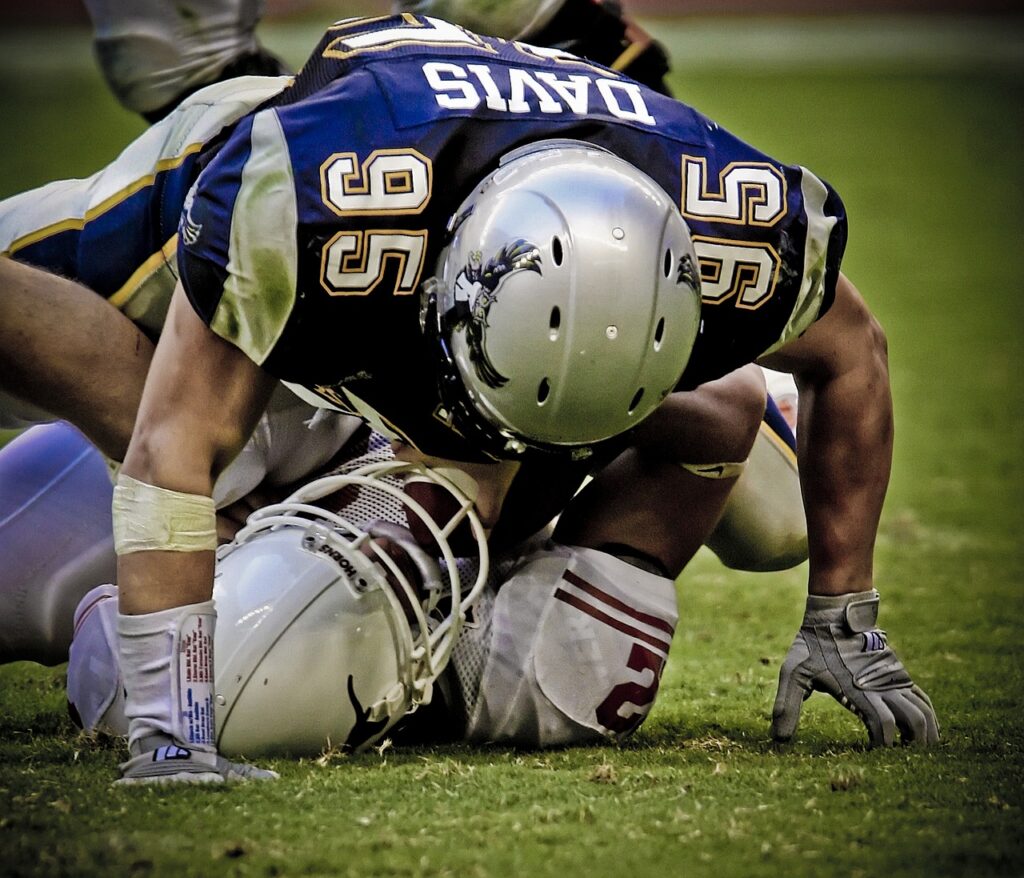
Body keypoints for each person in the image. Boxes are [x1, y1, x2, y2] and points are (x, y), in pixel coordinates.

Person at [0, 13, 936, 784]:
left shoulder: (735, 218)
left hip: (439, 312)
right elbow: (171, 435)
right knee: (167, 407)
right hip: (274, 155)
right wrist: (174, 728)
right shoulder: (303, 199)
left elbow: (853, 354)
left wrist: (842, 614)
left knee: (779, 514)